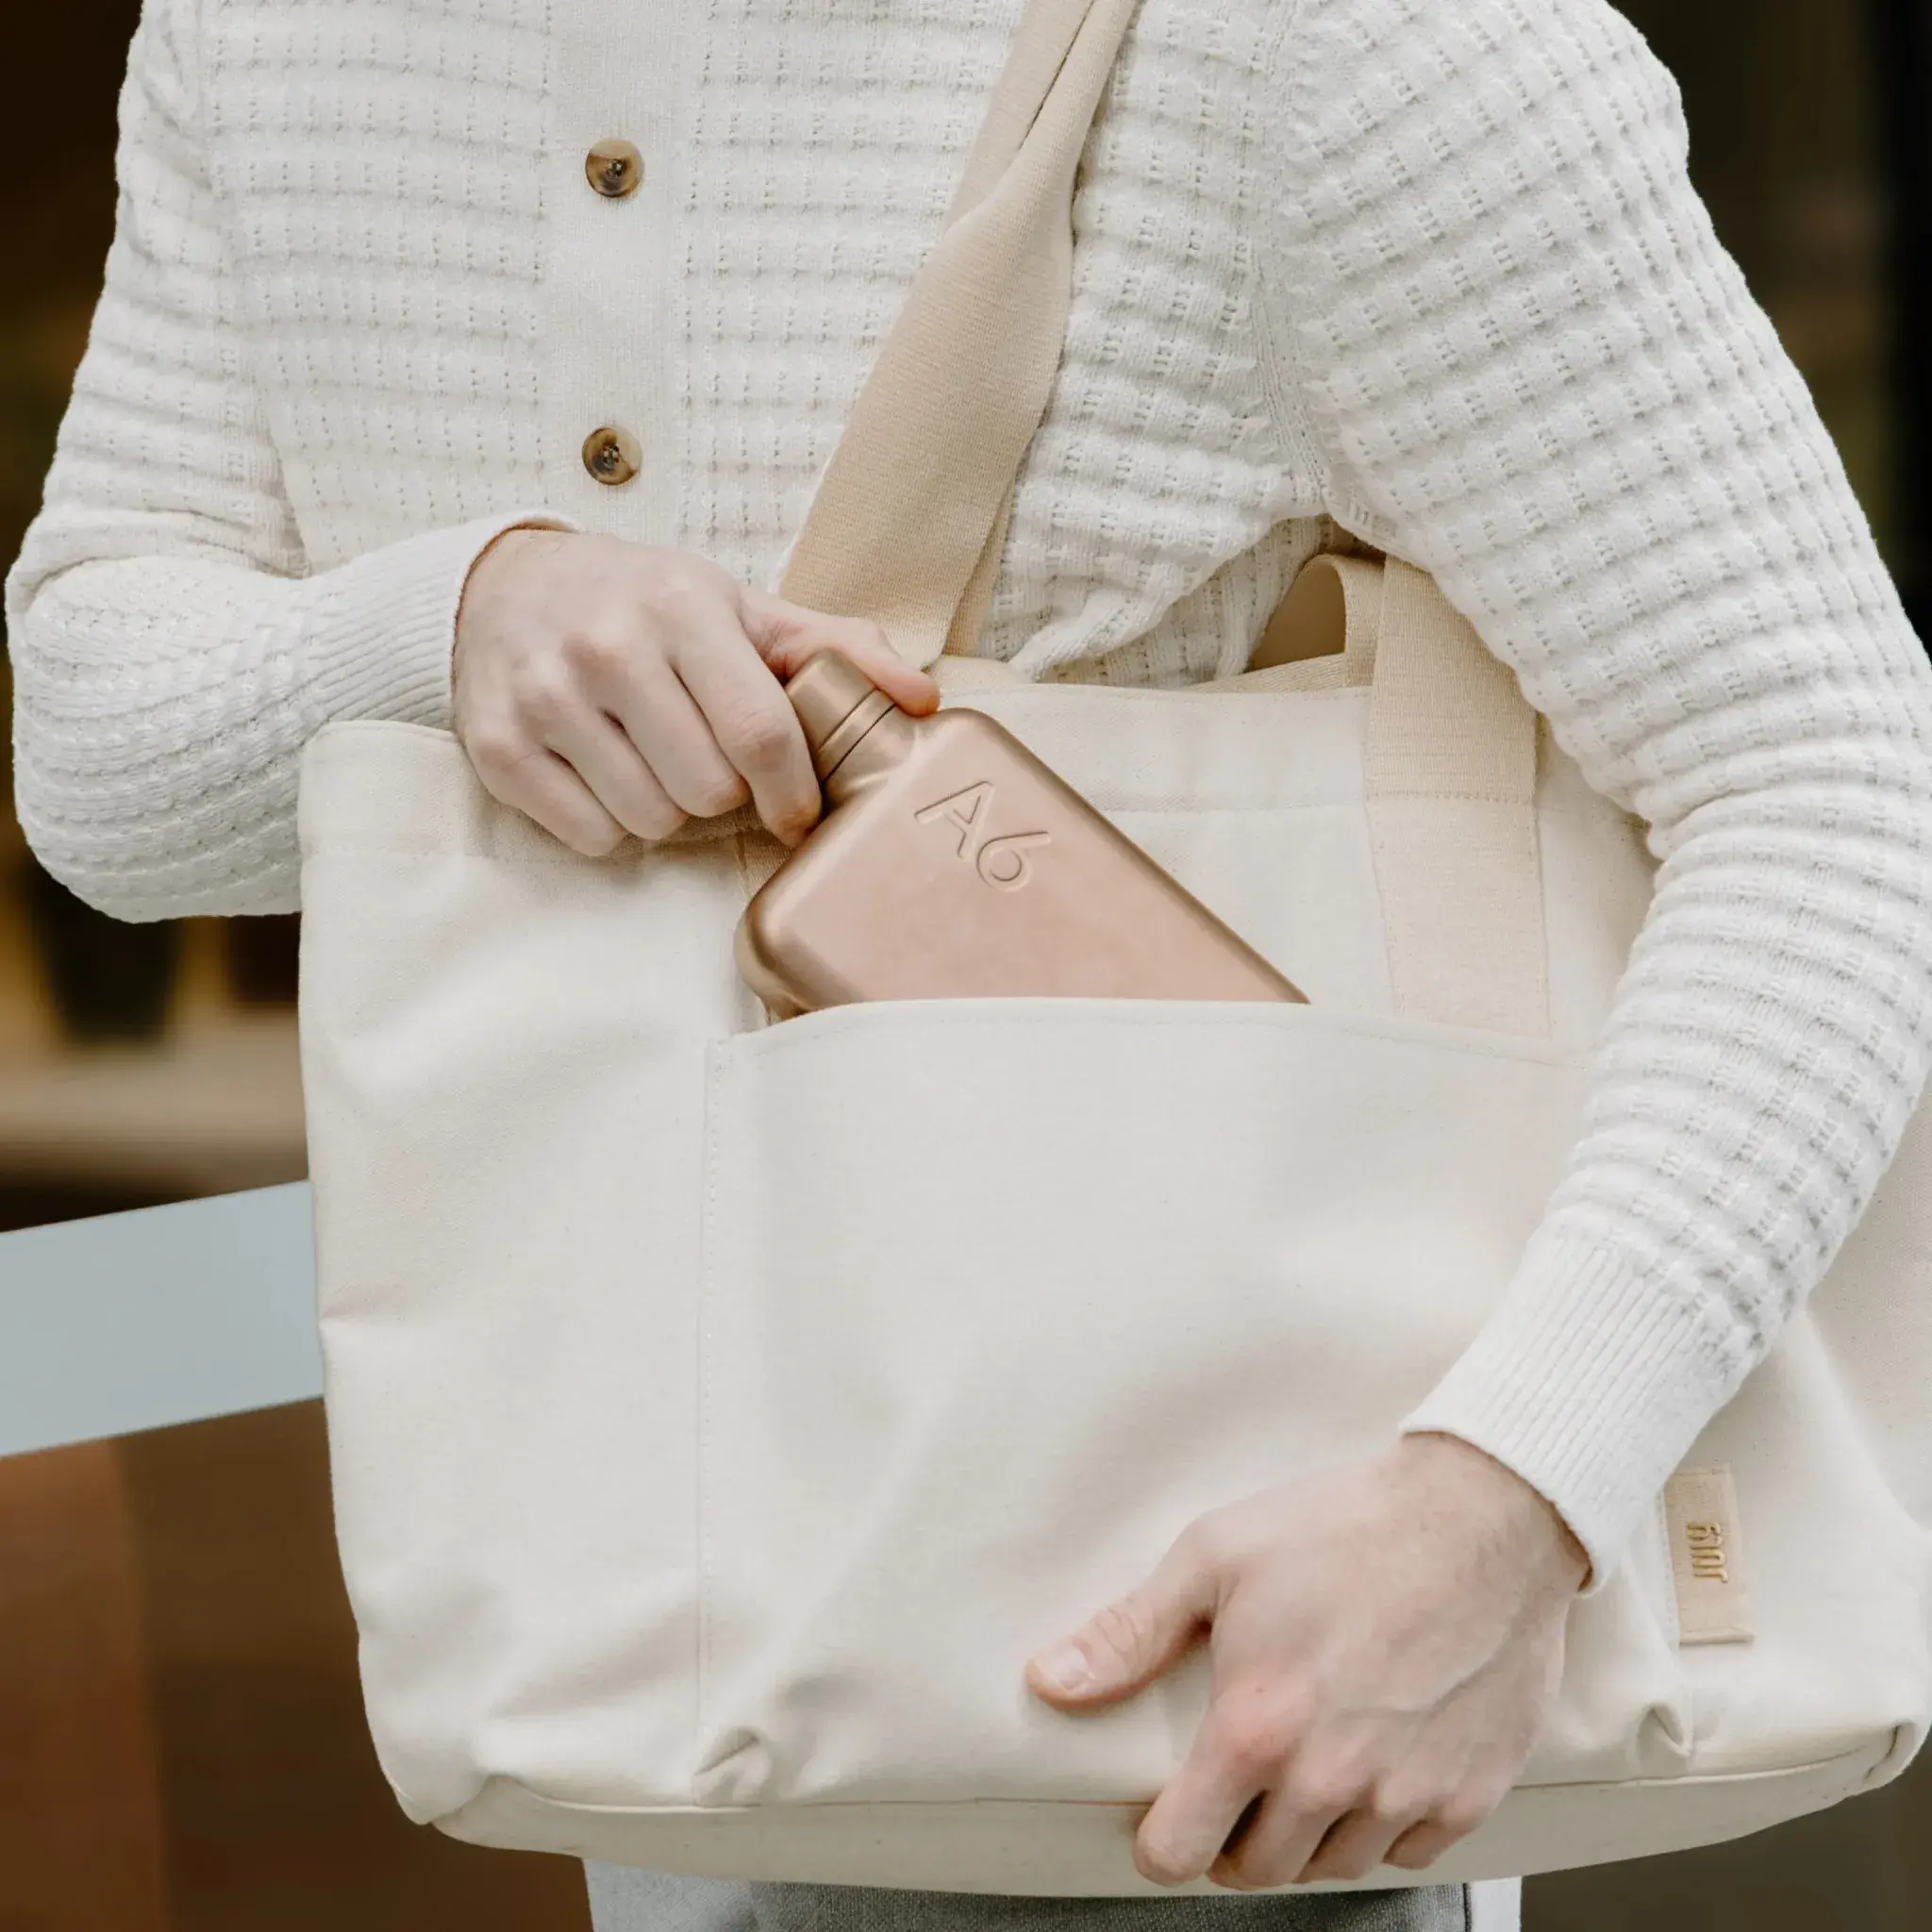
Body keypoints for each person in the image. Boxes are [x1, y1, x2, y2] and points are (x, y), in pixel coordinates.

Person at [8, 0, 1932, 1927]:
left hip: (1237, 1708)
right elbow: (95, 767)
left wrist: (1512, 1491)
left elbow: (1841, 788)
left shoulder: (1333, 49)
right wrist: (451, 621)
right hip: (623, 1668)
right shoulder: (260, 35)